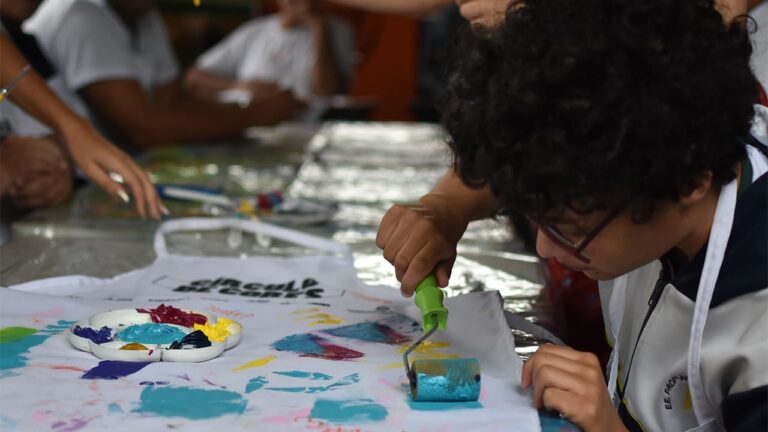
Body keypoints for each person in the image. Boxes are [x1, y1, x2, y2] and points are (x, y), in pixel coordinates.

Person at [432, 0, 765, 430]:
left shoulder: (756, 317)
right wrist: (443, 208)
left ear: (687, 184)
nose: (544, 247)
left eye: (569, 229)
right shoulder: (663, 151)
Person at [23, 0, 303, 152]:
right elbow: (144, 130)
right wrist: (257, 113)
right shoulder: (79, 15)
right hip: (63, 178)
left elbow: (172, 104)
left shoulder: (146, 17)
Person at [0, 0, 162, 218]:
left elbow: (68, 143)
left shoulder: (23, 45)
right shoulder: (76, 18)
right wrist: (6, 170)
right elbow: (145, 129)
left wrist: (56, 163)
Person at [185, 0, 355, 102]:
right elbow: (193, 77)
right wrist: (240, 86)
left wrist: (319, 28)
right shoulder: (255, 31)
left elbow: (328, 91)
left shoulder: (337, 30)